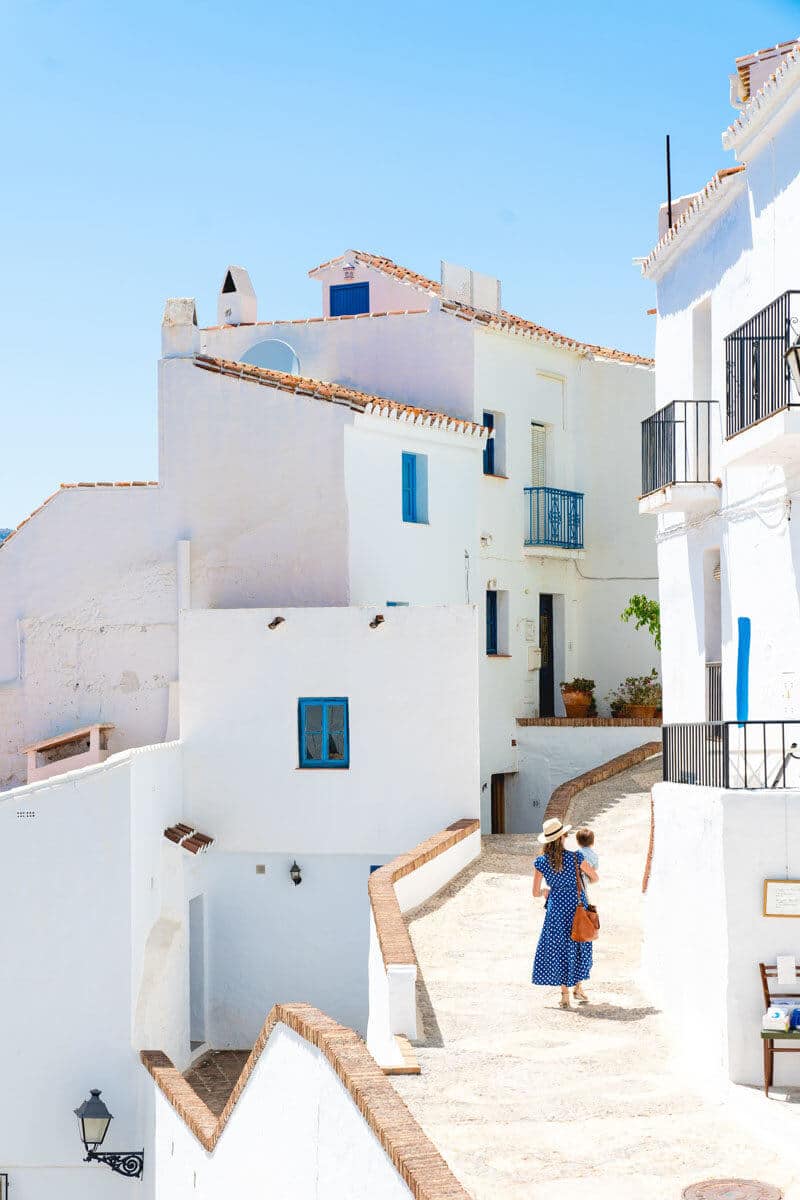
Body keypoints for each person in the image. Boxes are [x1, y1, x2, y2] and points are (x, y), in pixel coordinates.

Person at [532, 817, 599, 1009]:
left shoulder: (541, 862)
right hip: (577, 906)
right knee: (579, 942)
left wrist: (548, 891)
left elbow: (536, 892)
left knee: (559, 949)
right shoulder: (576, 857)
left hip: (556, 911)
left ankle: (564, 996)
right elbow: (595, 878)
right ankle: (578, 987)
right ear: (562, 837)